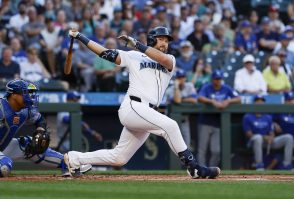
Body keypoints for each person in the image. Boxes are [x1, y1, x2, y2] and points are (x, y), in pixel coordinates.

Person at [64, 26, 221, 179]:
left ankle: (75, 158)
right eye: (160, 39)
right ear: (152, 40)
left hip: (147, 112)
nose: (164, 43)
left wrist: (137, 44)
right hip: (133, 106)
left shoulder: (170, 60)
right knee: (170, 126)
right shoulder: (134, 56)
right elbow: (105, 53)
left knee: (119, 158)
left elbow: (162, 59)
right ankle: (194, 168)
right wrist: (79, 37)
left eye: (166, 41)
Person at [0, 79, 91, 178]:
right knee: (5, 166)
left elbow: (40, 120)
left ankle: (68, 164)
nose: (30, 97)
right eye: (25, 93)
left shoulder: (25, 110)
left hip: (3, 148)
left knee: (29, 145)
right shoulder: (1, 108)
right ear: (13, 95)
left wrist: (40, 130)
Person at [198, 69, 241, 167]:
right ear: (212, 79)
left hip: (217, 123)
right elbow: (200, 97)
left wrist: (228, 101)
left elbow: (238, 98)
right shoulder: (207, 87)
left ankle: (211, 169)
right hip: (205, 121)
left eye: (219, 79)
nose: (218, 81)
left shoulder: (226, 88)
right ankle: (201, 169)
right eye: (216, 79)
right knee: (202, 149)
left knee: (216, 150)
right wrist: (212, 101)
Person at [243, 95, 294, 171]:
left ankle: (287, 165)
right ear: (254, 104)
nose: (260, 104)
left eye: (262, 102)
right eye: (258, 102)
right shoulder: (247, 116)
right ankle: (259, 165)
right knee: (258, 138)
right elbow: (249, 134)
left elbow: (271, 132)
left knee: (288, 137)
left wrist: (271, 137)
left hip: (267, 142)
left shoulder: (268, 117)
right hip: (253, 142)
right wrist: (264, 137)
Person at [165, 69, 197, 149]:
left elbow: (194, 99)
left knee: (186, 147)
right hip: (172, 122)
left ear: (185, 78)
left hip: (184, 120)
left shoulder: (189, 86)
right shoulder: (170, 90)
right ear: (176, 79)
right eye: (179, 77)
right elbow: (177, 100)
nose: (181, 79)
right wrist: (176, 87)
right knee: (173, 147)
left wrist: (182, 99)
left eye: (183, 77)